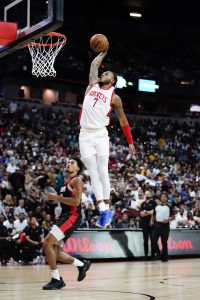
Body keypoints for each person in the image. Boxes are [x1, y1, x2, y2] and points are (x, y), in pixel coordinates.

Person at [79, 48, 135, 228]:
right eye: (103, 72)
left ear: (113, 81)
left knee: (102, 170)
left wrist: (130, 142)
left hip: (101, 134)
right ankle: (103, 211)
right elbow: (94, 65)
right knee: (92, 172)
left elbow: (123, 120)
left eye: (107, 73)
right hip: (84, 134)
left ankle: (106, 209)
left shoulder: (115, 98)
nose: (103, 74)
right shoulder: (92, 85)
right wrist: (103, 51)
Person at [42, 158, 91, 290]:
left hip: (71, 217)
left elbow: (76, 202)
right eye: (68, 162)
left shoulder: (77, 180)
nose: (69, 164)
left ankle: (56, 279)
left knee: (47, 243)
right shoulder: (66, 182)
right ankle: (81, 264)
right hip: (65, 217)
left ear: (78, 169)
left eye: (72, 163)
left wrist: (56, 197)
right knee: (56, 252)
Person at [151, 192, 175, 262]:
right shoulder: (157, 207)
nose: (163, 198)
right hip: (157, 225)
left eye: (164, 197)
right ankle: (158, 253)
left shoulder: (169, 207)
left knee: (164, 242)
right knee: (153, 239)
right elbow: (154, 215)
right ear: (160, 198)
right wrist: (152, 221)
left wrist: (168, 220)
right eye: (162, 196)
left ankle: (165, 257)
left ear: (167, 198)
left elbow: (173, 217)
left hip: (165, 226)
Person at [140, 191, 157, 260]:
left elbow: (154, 212)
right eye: (146, 194)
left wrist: (146, 212)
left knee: (153, 239)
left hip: (152, 223)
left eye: (148, 194)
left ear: (150, 195)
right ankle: (146, 255)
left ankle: (153, 255)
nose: (147, 195)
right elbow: (141, 214)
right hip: (144, 224)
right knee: (145, 240)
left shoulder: (153, 202)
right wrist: (149, 212)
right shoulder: (143, 203)